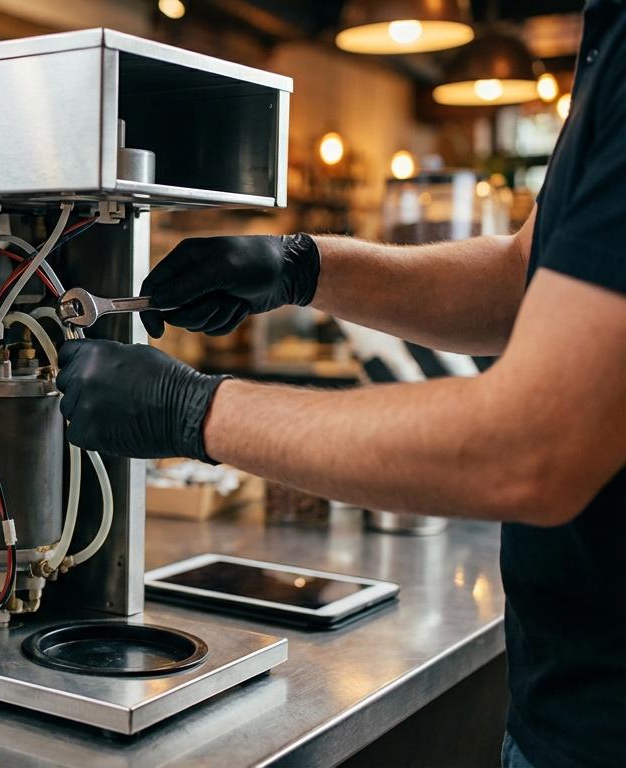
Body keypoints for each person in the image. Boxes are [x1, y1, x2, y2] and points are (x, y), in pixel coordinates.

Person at [53, 4, 625, 767]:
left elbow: (533, 445)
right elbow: (526, 275)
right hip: (564, 696)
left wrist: (194, 409)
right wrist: (304, 265)